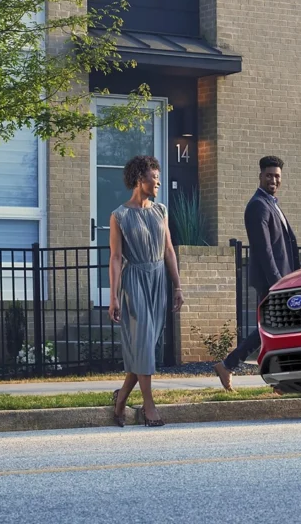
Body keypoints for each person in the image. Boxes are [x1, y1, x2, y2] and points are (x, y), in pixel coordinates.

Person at [109, 155, 184, 427]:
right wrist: (114, 296)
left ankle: (120, 401)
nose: (159, 182)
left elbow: (168, 251)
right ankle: (148, 406)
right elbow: (116, 258)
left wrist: (177, 286)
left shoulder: (160, 210)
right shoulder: (120, 215)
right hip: (134, 283)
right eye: (154, 177)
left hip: (158, 281)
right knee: (143, 345)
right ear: (140, 179)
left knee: (146, 348)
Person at [213, 155, 298, 391]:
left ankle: (235, 367)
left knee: (273, 329)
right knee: (270, 329)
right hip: (271, 281)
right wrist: (277, 283)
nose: (273, 179)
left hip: (281, 278)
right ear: (260, 176)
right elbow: (264, 250)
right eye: (269, 175)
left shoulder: (271, 203)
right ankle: (238, 367)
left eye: (277, 176)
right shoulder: (258, 205)